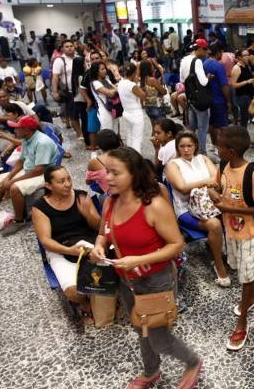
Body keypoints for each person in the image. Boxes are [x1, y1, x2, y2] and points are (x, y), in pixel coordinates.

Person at [89, 147, 202, 389]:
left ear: (133, 174)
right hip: (126, 280)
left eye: (115, 173)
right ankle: (151, 372)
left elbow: (177, 245)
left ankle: (192, 362)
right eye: (106, 171)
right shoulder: (110, 202)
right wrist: (98, 246)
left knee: (159, 337)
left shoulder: (154, 206)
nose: (107, 178)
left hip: (155, 280)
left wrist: (137, 260)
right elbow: (103, 234)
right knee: (141, 329)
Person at [207, 126, 254, 351]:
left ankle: (241, 324)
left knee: (244, 276)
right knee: (242, 269)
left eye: (219, 146)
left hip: (248, 233)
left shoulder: (252, 172)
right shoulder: (223, 165)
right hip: (229, 230)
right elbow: (221, 187)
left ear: (231, 150)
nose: (217, 149)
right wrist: (215, 192)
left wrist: (227, 206)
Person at [32, 165, 100, 323]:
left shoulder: (80, 196)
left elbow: (99, 227)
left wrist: (88, 216)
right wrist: (69, 250)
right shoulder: (40, 207)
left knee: (112, 275)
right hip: (60, 248)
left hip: (89, 243)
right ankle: (85, 302)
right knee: (74, 292)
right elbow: (46, 241)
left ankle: (102, 299)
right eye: (61, 181)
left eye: (68, 178)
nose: (68, 184)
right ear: (49, 185)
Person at [0, 116, 60, 236]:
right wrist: (8, 177)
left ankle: (19, 220)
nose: (15, 131)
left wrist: (13, 181)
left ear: (27, 129)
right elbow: (20, 161)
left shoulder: (42, 142)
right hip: (31, 169)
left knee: (15, 187)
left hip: (45, 173)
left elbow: (39, 170)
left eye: (18, 128)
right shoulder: (27, 139)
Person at [165, 130, 229, 286]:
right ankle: (219, 265)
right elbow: (182, 188)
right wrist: (206, 182)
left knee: (236, 213)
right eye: (182, 146)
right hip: (186, 210)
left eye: (189, 146)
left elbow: (217, 181)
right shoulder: (172, 165)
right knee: (214, 224)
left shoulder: (203, 158)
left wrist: (208, 184)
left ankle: (233, 255)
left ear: (196, 146)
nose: (186, 150)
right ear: (177, 148)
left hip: (209, 204)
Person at [180, 38, 210, 155]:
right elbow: (203, 82)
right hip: (199, 99)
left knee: (191, 127)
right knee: (202, 127)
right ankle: (202, 152)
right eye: (205, 50)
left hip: (190, 98)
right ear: (200, 49)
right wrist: (208, 77)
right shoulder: (197, 61)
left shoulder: (183, 60)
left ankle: (188, 149)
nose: (206, 53)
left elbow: (182, 80)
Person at [51, 39, 86, 140]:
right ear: (62, 49)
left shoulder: (79, 58)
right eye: (67, 46)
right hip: (70, 92)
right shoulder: (59, 60)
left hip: (82, 90)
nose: (70, 48)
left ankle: (85, 131)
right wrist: (54, 92)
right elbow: (55, 77)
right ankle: (79, 134)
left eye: (71, 46)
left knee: (84, 113)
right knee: (73, 115)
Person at [203, 45, 230, 149]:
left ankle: (214, 145)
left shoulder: (205, 63)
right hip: (218, 99)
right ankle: (221, 146)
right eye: (221, 53)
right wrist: (228, 101)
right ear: (218, 52)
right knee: (221, 126)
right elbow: (224, 86)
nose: (222, 55)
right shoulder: (219, 66)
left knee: (212, 123)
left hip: (208, 98)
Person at [118, 63, 146, 152]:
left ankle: (129, 156)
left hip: (126, 112)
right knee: (137, 139)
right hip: (136, 114)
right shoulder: (132, 85)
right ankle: (137, 160)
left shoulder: (120, 82)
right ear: (134, 73)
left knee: (130, 136)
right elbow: (143, 96)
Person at [86, 129, 123, 195]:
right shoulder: (125, 155)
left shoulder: (94, 162)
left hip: (111, 195)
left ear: (99, 145)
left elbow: (88, 182)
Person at [230, 50, 254, 128]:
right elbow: (233, 84)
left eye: (248, 55)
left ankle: (244, 137)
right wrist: (246, 82)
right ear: (239, 57)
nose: (248, 57)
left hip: (248, 96)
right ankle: (242, 138)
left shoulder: (247, 66)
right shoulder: (236, 68)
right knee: (243, 120)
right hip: (241, 97)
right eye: (245, 55)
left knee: (245, 119)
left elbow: (250, 78)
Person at [139, 59, 167, 132]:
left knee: (154, 129)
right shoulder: (152, 80)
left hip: (148, 107)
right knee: (162, 129)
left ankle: (155, 142)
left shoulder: (142, 80)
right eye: (151, 66)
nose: (153, 67)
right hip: (156, 106)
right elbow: (164, 92)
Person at [89, 61, 119, 131]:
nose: (105, 70)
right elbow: (109, 93)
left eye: (105, 68)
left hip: (113, 108)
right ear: (97, 72)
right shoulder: (95, 83)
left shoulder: (107, 79)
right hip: (104, 111)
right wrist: (115, 89)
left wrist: (115, 89)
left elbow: (114, 88)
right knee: (107, 133)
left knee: (115, 131)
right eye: (102, 69)